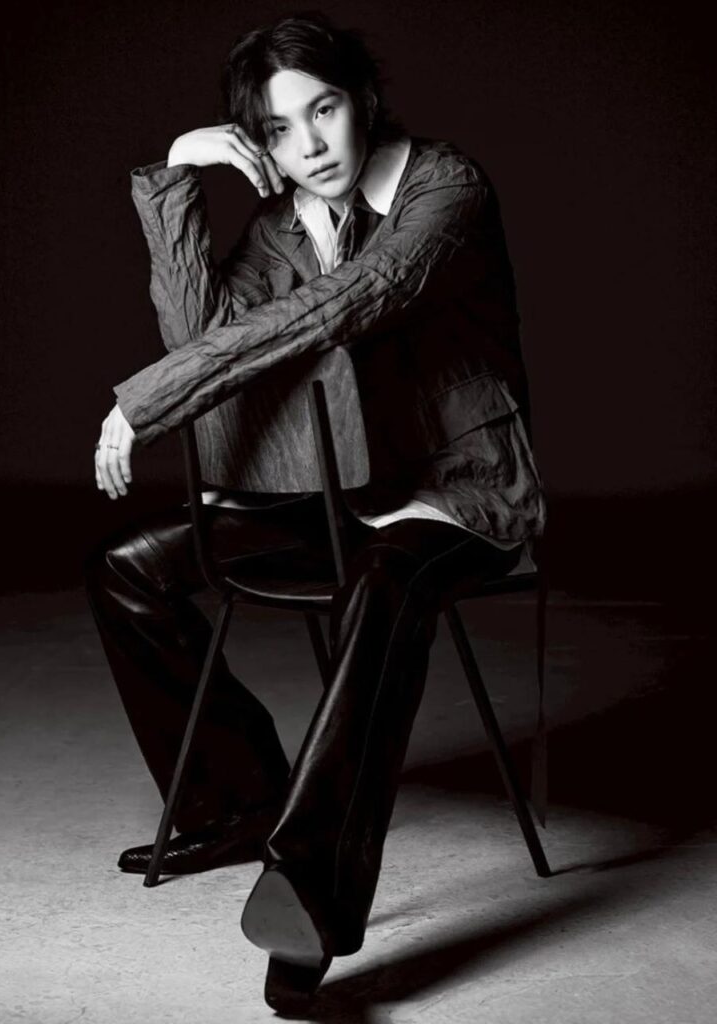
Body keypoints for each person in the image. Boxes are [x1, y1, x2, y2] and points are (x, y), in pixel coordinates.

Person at [85, 11, 545, 1009]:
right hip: (331, 491)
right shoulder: (282, 226)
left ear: (363, 99)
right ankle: (236, 799)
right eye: (279, 130)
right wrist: (178, 177)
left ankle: (309, 895)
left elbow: (346, 305)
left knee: (383, 584)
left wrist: (149, 399)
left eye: (324, 110)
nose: (311, 146)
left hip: (460, 492)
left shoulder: (444, 190)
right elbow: (201, 338)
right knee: (126, 569)